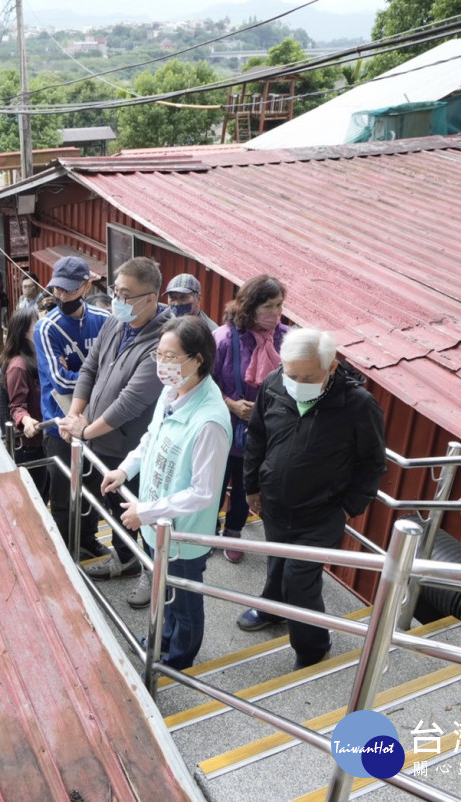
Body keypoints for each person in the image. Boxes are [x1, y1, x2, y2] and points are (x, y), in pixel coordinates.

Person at [238, 328, 387, 670]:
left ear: (331, 368)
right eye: (292, 374)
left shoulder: (358, 406)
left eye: (309, 376)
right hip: (275, 503)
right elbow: (258, 436)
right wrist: (252, 487)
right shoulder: (276, 384)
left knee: (300, 580)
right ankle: (272, 609)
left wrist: (349, 508)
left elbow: (372, 463)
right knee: (277, 561)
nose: (298, 382)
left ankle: (312, 647)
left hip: (322, 513)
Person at [101, 316, 232, 670]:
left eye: (171, 357)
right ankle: (161, 639)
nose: (162, 364)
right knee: (165, 592)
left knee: (184, 600)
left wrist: (146, 511)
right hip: (157, 524)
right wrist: (125, 469)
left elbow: (203, 493)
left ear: (198, 359)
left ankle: (178, 658)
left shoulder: (210, 422)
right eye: (159, 354)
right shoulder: (171, 392)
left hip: (182, 535)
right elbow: (151, 439)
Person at [60, 257, 171, 605]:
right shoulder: (116, 322)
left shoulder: (164, 341)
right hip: (101, 442)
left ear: (151, 298)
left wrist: (85, 430)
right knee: (114, 507)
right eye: (115, 292)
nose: (117, 300)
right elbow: (90, 366)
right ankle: (125, 560)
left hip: (134, 450)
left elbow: (131, 402)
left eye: (125, 294)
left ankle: (157, 579)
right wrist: (75, 416)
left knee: (145, 515)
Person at [34, 255, 111, 560]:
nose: (62, 296)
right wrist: (96, 376)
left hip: (94, 420)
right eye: (58, 290)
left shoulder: (104, 321)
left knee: (92, 485)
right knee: (63, 491)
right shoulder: (46, 327)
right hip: (60, 422)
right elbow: (58, 382)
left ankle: (89, 539)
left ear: (86, 285)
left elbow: (114, 372)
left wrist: (79, 373)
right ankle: (65, 549)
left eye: (68, 290)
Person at [213, 274, 288, 563]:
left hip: (262, 433)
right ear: (250, 306)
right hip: (223, 427)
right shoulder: (223, 338)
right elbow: (204, 383)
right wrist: (231, 404)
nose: (276, 313)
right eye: (269, 306)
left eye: (280, 305)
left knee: (247, 487)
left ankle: (233, 532)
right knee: (214, 485)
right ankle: (208, 532)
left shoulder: (285, 339)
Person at [0, 307, 49, 497]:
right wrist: (26, 420)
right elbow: (17, 406)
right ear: (23, 332)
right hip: (30, 444)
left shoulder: (39, 356)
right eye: (36, 325)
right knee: (37, 495)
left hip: (43, 439)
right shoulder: (18, 366)